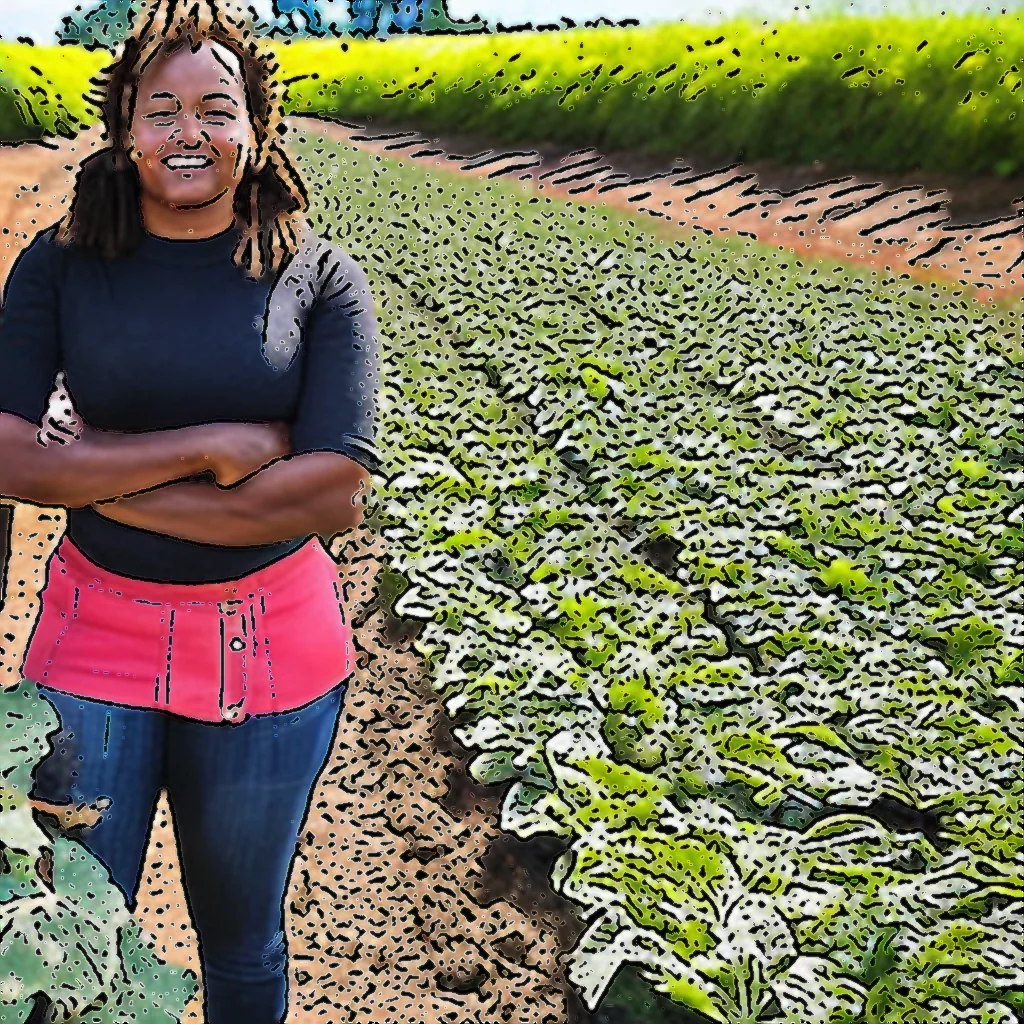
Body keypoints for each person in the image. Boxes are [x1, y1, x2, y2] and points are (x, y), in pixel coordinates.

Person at [0, 1, 382, 1022]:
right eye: (160, 108)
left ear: (256, 128)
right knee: (76, 941)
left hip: (271, 655)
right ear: (123, 125)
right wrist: (210, 455)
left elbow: (333, 492)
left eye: (216, 108)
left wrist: (91, 470)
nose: (187, 132)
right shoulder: (60, 265)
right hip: (94, 648)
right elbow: (4, 455)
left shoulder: (320, 278)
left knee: (244, 944)